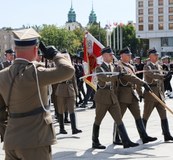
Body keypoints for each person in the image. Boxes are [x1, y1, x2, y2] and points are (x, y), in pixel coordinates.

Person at [0, 28, 75, 160]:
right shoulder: (35, 73)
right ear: (35, 49)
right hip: (35, 141)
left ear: (15, 48)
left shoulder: (3, 75)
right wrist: (56, 55)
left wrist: (6, 132)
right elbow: (68, 71)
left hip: (11, 140)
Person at [92, 46, 139, 149]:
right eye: (110, 55)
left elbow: (120, 77)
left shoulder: (114, 67)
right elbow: (104, 78)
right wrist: (117, 76)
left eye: (112, 55)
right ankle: (95, 141)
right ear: (104, 56)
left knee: (119, 119)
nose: (112, 56)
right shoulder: (99, 68)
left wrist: (122, 75)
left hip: (113, 97)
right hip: (102, 98)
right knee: (98, 119)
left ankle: (126, 141)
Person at [113, 47, 157, 145]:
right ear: (122, 55)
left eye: (130, 54)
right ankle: (116, 138)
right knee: (119, 117)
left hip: (132, 94)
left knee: (137, 116)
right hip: (123, 95)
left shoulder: (131, 66)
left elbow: (135, 79)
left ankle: (144, 136)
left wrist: (140, 92)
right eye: (127, 55)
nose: (130, 56)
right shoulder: (119, 66)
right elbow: (129, 77)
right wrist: (143, 83)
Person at [142, 48, 173, 142]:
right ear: (150, 56)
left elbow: (161, 81)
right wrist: (164, 76)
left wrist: (168, 75)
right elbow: (153, 75)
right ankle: (143, 134)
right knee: (146, 115)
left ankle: (167, 134)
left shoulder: (159, 66)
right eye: (155, 55)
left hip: (159, 93)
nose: (157, 56)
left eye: (157, 55)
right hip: (151, 94)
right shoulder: (147, 67)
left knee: (163, 114)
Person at [55, 52, 82, 135]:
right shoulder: (58, 67)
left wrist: (76, 92)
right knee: (61, 109)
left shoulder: (71, 67)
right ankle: (61, 128)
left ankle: (74, 128)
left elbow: (74, 80)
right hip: (61, 89)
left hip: (70, 89)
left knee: (72, 109)